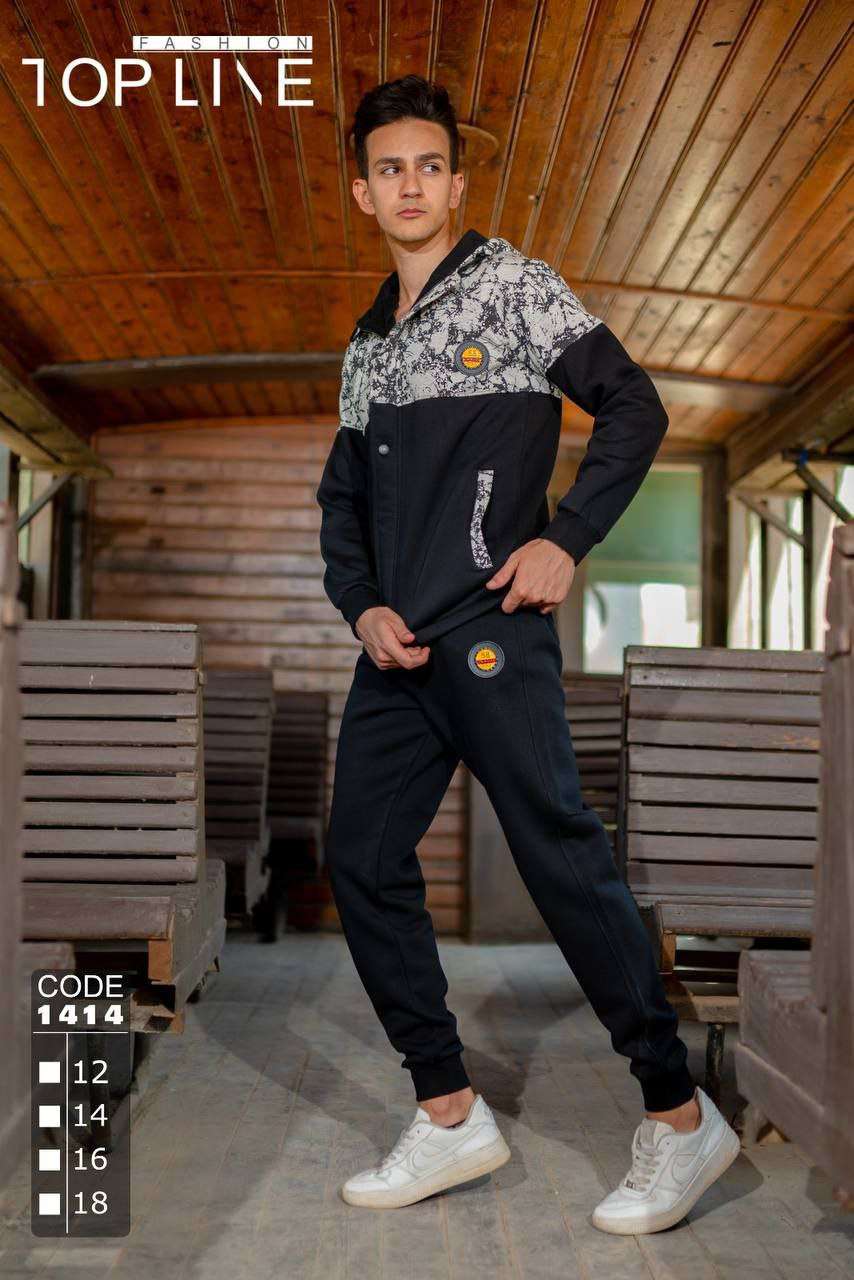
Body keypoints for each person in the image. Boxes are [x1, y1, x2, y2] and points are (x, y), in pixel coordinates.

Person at [315, 73, 740, 1230]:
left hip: (492, 627)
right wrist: (359, 608)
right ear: (363, 193)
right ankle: (448, 1110)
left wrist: (566, 537)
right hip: (396, 652)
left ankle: (678, 1118)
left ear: (455, 182)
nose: (410, 185)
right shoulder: (366, 344)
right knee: (359, 857)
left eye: (427, 165)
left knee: (558, 854)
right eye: (388, 169)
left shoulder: (510, 285)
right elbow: (341, 502)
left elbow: (631, 403)